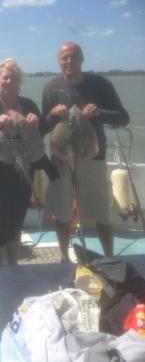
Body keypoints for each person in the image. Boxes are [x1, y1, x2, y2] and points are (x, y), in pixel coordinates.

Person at [42, 42, 130, 261]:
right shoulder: (51, 87)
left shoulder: (100, 83)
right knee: (62, 213)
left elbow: (123, 117)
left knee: (102, 212)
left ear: (82, 58)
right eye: (64, 58)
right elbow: (43, 127)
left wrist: (99, 113)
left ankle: (109, 257)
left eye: (73, 57)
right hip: (62, 157)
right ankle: (64, 256)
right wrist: (52, 115)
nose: (69, 62)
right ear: (58, 61)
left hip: (93, 156)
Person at [0, 58, 59, 266]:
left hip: (24, 168)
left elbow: (39, 136)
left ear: (19, 82)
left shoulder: (28, 104)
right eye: (5, 77)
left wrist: (36, 122)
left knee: (16, 220)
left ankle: (14, 267)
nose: (8, 81)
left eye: (13, 78)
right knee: (0, 220)